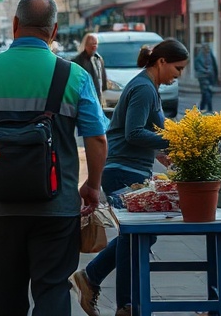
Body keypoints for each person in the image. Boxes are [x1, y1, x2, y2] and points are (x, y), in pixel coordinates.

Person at [0, 0, 108, 316]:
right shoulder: (74, 76)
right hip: (57, 209)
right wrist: (92, 184)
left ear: (16, 24)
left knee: (5, 296)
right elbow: (98, 139)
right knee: (53, 290)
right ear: (55, 30)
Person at [71, 38, 189, 316]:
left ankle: (93, 280)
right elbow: (133, 133)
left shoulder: (148, 86)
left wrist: (161, 153)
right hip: (122, 171)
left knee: (138, 235)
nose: (179, 75)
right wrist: (173, 139)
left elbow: (139, 132)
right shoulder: (144, 88)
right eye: (178, 68)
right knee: (135, 235)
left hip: (130, 169)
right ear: (161, 62)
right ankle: (123, 303)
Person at [73, 33, 108, 108]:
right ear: (85, 45)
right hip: (84, 101)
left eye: (95, 44)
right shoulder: (78, 61)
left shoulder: (98, 59)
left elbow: (103, 81)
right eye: (91, 44)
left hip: (98, 100)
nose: (93, 46)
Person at [195, 44, 219, 112]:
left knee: (207, 94)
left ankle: (201, 108)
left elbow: (214, 65)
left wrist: (216, 76)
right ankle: (209, 109)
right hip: (203, 77)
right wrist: (204, 71)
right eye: (206, 49)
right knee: (206, 93)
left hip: (210, 76)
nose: (207, 50)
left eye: (208, 49)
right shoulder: (199, 56)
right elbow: (197, 67)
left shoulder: (210, 55)